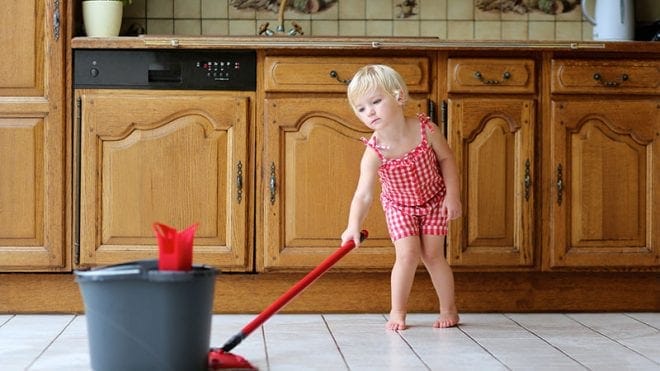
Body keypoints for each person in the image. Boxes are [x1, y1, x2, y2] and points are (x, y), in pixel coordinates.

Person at [341, 64, 462, 331]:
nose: (369, 111)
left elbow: (447, 159)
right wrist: (352, 226)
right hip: (399, 207)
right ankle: (398, 312)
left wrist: (452, 196)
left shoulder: (424, 129)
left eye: (375, 101)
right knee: (407, 255)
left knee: (432, 255)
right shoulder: (374, 151)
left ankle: (449, 309)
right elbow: (363, 194)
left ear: (398, 97)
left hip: (433, 201)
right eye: (361, 108)